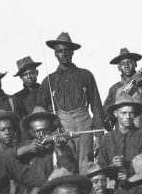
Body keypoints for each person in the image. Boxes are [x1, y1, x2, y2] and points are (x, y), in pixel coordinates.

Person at [36, 32, 104, 172]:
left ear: (72, 52)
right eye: (59, 51)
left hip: (84, 125)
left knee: (86, 165)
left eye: (67, 51)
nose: (64, 54)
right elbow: (41, 110)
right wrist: (53, 130)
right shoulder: (49, 80)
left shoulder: (85, 75)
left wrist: (98, 136)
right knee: (66, 166)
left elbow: (96, 106)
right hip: (62, 126)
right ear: (55, 54)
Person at [97, 91, 142, 193]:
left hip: (140, 188)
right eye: (123, 113)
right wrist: (112, 165)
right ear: (116, 114)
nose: (127, 117)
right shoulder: (106, 139)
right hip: (115, 190)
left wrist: (130, 175)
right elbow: (101, 168)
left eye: (131, 113)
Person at [18, 107, 78, 179]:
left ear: (51, 130)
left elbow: (69, 172)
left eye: (45, 130)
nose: (41, 134)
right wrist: (27, 149)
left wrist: (59, 148)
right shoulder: (24, 147)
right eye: (37, 131)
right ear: (31, 133)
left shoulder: (63, 147)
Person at [104, 47, 142, 112]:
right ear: (119, 68)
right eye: (123, 63)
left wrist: (140, 87)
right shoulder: (114, 89)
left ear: (135, 64)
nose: (126, 66)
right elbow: (106, 109)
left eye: (129, 62)